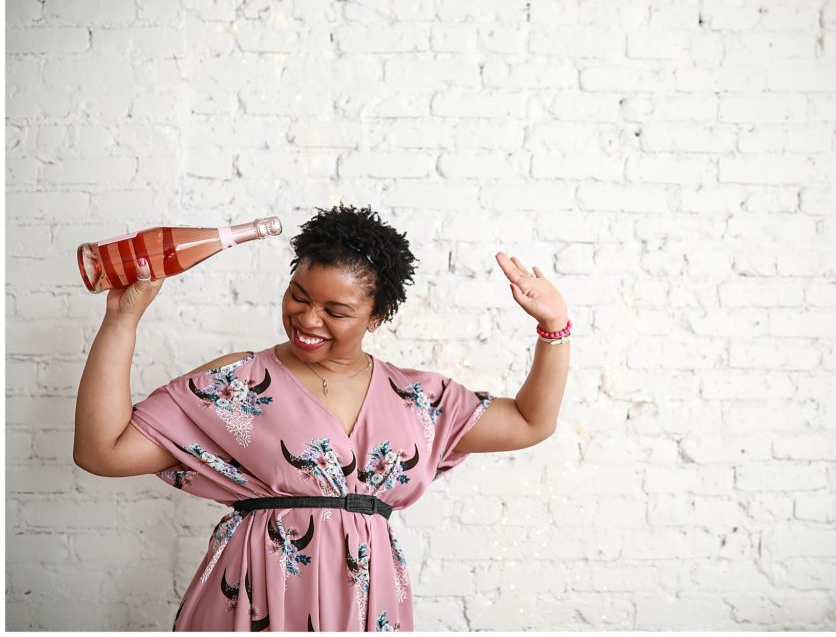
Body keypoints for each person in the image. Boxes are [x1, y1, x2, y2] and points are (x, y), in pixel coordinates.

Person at [74, 204, 572, 631]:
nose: (309, 319)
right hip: (253, 599)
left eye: (336, 310)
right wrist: (123, 318)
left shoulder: (421, 399)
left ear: (376, 316)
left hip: (367, 604)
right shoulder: (237, 384)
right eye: (299, 296)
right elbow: (102, 452)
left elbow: (531, 421)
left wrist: (554, 327)